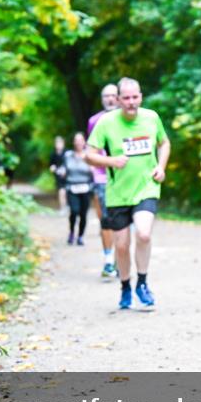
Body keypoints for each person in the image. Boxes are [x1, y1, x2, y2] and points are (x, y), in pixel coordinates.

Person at [86, 77, 170, 311]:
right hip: (118, 193)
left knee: (143, 234)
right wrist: (111, 160)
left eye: (135, 97)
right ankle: (125, 286)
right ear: (118, 99)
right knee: (121, 246)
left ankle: (142, 284)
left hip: (147, 187)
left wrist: (161, 167)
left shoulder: (151, 117)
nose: (131, 102)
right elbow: (89, 154)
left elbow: (164, 143)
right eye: (126, 98)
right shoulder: (106, 123)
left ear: (140, 97)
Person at [87, 84, 120, 277]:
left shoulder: (127, 119)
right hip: (101, 177)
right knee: (106, 219)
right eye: (106, 96)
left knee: (122, 221)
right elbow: (91, 149)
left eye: (113, 96)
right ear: (102, 99)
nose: (109, 99)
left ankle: (119, 259)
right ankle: (109, 260)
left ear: (118, 98)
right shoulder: (94, 121)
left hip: (123, 177)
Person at [63, 132, 94, 245]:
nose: (79, 142)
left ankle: (80, 236)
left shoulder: (89, 156)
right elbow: (64, 169)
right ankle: (71, 232)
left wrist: (93, 170)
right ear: (73, 142)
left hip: (86, 188)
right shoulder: (68, 155)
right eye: (76, 140)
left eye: (81, 140)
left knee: (83, 214)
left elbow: (95, 172)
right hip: (72, 187)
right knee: (74, 211)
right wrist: (61, 172)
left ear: (84, 142)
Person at [48, 136, 67, 217]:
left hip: (67, 176)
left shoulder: (67, 153)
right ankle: (63, 207)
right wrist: (52, 168)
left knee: (67, 192)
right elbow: (51, 165)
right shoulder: (53, 154)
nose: (58, 145)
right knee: (61, 192)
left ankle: (67, 206)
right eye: (57, 143)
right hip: (58, 176)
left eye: (60, 143)